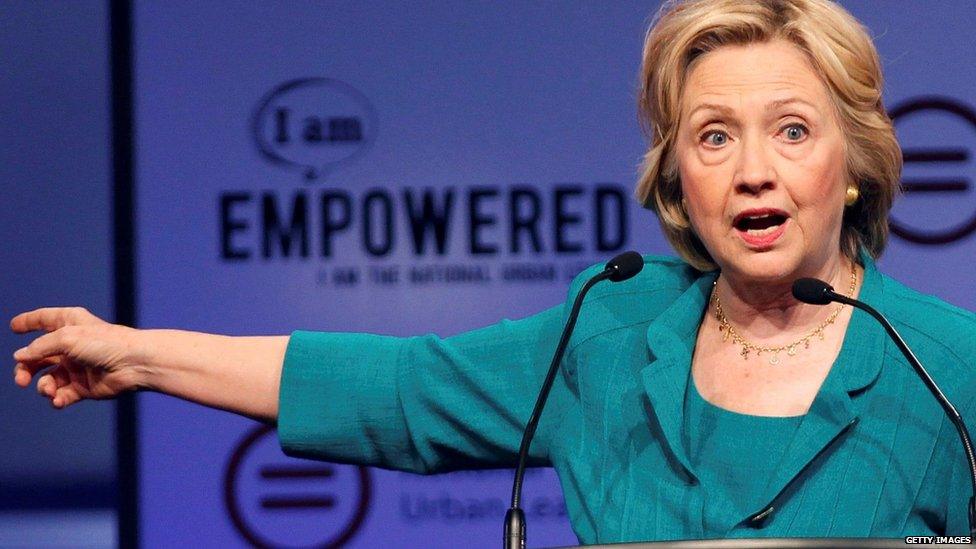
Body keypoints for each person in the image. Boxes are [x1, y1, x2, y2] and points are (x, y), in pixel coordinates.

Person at [10, 0, 976, 543]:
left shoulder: (946, 364)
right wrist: (138, 354)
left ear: (852, 167)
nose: (753, 168)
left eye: (793, 130)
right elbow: (398, 391)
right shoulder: (610, 332)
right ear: (678, 179)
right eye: (714, 135)